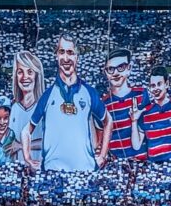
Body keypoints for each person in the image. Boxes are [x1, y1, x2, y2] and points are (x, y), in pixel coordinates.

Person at [22, 35, 112, 171]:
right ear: (56, 56)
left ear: (77, 57)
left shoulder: (89, 92)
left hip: (85, 171)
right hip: (52, 171)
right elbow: (26, 131)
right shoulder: (48, 95)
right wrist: (28, 158)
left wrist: (103, 156)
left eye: (70, 53)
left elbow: (108, 121)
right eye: (61, 52)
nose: (65, 58)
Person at [132, 66, 171, 162]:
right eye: (153, 85)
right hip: (154, 164)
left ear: (166, 84)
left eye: (159, 84)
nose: (156, 88)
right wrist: (134, 121)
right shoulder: (144, 113)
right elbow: (136, 145)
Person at [102, 49, 149, 160]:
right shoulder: (103, 102)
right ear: (106, 72)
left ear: (129, 68)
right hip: (114, 162)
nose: (116, 73)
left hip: (141, 160)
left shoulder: (141, 94)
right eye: (111, 69)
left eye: (121, 67)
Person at [9, 50, 45, 164]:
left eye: (30, 72)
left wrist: (20, 145)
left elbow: (51, 142)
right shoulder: (14, 108)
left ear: (36, 75)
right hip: (18, 167)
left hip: (38, 166)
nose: (25, 77)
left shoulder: (44, 107)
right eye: (20, 72)